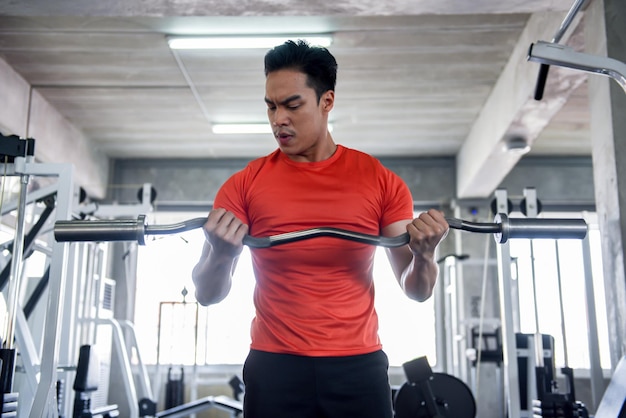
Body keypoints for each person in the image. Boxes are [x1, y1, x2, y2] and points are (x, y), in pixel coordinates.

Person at [192, 39, 449, 418]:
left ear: (326, 101)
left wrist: (425, 255)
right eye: (271, 106)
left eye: (292, 105)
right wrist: (221, 253)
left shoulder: (379, 181)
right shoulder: (244, 184)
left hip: (357, 366)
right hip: (274, 365)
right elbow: (207, 294)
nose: (278, 118)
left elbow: (417, 291)